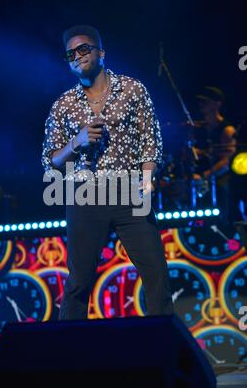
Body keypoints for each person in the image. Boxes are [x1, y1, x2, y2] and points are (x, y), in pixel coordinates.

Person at [42, 25, 173, 320]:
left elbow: (149, 140)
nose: (77, 56)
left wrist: (149, 178)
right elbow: (50, 160)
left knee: (156, 275)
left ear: (101, 52)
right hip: (84, 194)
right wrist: (76, 142)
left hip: (129, 190)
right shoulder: (62, 106)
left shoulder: (132, 89)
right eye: (70, 53)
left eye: (84, 49)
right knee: (78, 284)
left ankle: (165, 355)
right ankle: (70, 360)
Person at [191, 86, 236, 220]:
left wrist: (206, 176)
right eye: (200, 101)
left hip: (218, 177)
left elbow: (227, 162)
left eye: (205, 101)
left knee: (223, 187)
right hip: (200, 176)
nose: (201, 105)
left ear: (217, 104)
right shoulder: (197, 129)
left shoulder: (226, 130)